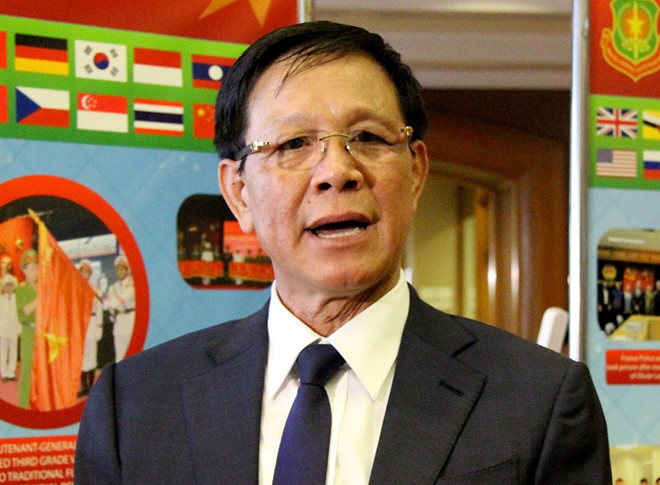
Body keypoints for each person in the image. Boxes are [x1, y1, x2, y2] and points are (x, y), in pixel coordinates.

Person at [75, 21, 612, 484]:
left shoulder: (541, 402)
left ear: (416, 172)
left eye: (369, 137)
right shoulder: (134, 406)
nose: (337, 171)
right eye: (293, 144)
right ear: (239, 193)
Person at [15, 248, 37, 409]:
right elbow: (26, 312)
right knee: (27, 369)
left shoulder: (45, 287)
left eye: (36, 268)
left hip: (44, 333)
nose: (34, 272)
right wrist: (42, 297)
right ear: (24, 271)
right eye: (30, 268)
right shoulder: (21, 290)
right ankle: (23, 405)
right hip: (29, 332)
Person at [77, 260, 103, 397]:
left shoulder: (95, 290)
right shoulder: (75, 290)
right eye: (81, 272)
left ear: (89, 274)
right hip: (80, 325)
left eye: (86, 272)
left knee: (91, 356)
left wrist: (99, 328)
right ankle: (84, 386)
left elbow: (99, 310)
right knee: (81, 357)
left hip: (92, 323)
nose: (83, 274)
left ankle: (91, 386)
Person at [104, 256, 135, 363]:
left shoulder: (132, 284)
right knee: (119, 355)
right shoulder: (112, 288)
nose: (119, 272)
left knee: (132, 353)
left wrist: (110, 304)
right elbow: (111, 307)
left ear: (127, 270)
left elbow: (123, 298)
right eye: (118, 269)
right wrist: (108, 307)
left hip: (130, 321)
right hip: (119, 323)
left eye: (122, 269)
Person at [0, 274, 20, 382]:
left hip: (13, 328)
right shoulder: (0, 299)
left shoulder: (17, 298)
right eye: (6, 285)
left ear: (14, 286)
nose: (8, 288)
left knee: (13, 351)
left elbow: (19, 314)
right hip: (2, 328)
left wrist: (19, 328)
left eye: (10, 285)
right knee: (3, 352)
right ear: (3, 286)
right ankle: (4, 373)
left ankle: (11, 372)